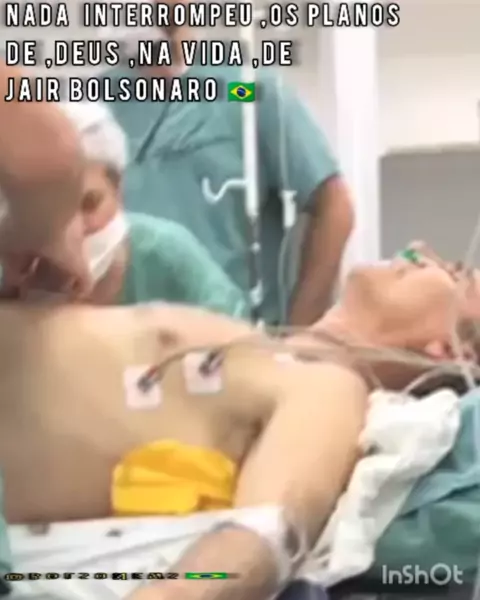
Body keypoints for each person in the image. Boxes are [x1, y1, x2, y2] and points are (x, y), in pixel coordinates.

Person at [1, 244, 477, 600]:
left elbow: (258, 541)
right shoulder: (255, 343)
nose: (419, 249)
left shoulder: (329, 388)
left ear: (451, 349)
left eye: (455, 271)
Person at [109, 3, 354, 326]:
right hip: (134, 338)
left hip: (237, 337)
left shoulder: (242, 89)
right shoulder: (101, 104)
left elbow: (335, 207)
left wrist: (300, 334)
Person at [0, 100, 248, 317]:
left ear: (117, 187)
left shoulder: (165, 255)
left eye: (89, 205)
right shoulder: (13, 267)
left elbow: (238, 335)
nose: (75, 231)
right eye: (54, 212)